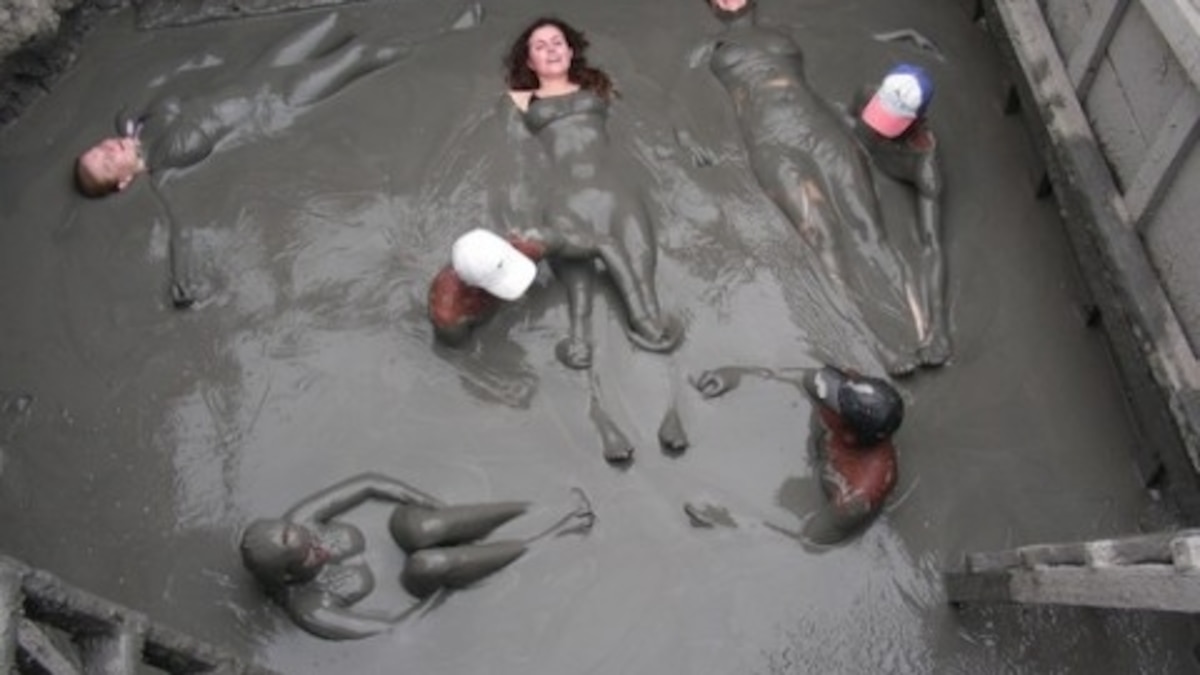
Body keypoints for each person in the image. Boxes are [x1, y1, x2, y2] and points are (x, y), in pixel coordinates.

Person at [74, 13, 409, 308]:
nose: (106, 150)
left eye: (97, 149)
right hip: (280, 99)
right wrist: (183, 279)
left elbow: (136, 97)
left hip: (260, 71)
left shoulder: (135, 125)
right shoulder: (166, 169)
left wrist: (130, 124)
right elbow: (181, 226)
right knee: (359, 55)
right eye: (105, 162)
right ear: (123, 182)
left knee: (333, 20)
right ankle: (441, 42)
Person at [678, 0, 925, 375]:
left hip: (821, 128)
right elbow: (679, 94)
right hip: (772, 141)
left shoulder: (782, 34)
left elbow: (844, 34)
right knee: (822, 237)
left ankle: (925, 330)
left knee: (870, 231)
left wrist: (902, 35)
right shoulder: (710, 47)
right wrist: (687, 137)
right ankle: (873, 343)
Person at [503, 17, 681, 369]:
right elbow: (511, 152)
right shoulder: (521, 100)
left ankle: (649, 316)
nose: (551, 50)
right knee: (575, 266)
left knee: (640, 254)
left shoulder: (598, 87)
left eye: (557, 42)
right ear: (529, 61)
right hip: (564, 192)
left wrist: (681, 139)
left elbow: (643, 116)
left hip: (613, 185)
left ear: (570, 51)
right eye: (540, 46)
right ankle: (579, 335)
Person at [239, 472, 594, 640]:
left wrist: (435, 506)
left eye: (311, 539)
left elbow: (368, 484)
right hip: (413, 582)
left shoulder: (300, 521)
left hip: (400, 529)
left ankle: (532, 507)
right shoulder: (310, 607)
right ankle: (546, 537)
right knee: (428, 563)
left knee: (423, 530)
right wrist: (448, 588)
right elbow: (393, 628)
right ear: (287, 576)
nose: (320, 545)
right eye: (310, 555)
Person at [686, 364, 903, 546]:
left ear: (849, 436)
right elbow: (802, 378)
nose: (825, 393)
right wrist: (736, 376)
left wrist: (729, 520)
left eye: (834, 405)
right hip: (823, 448)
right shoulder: (841, 387)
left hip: (834, 482)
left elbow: (807, 540)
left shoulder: (858, 495)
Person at [850, 63, 950, 366]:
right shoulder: (868, 95)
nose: (880, 129)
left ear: (919, 119)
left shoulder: (925, 170)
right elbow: (846, 120)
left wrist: (939, 326)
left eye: (892, 122)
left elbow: (931, 247)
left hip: (885, 189)